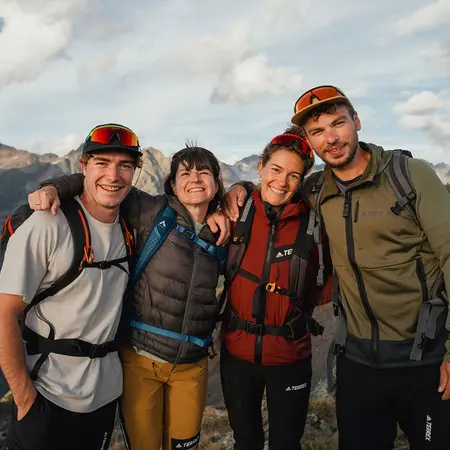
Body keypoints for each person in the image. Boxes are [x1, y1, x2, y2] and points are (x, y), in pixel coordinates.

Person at [223, 85, 450, 450]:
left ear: (356, 121)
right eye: (317, 132)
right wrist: (235, 188)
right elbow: (274, 188)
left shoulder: (411, 176)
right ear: (310, 142)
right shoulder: (315, 190)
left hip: (424, 358)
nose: (330, 138)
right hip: (358, 362)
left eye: (338, 123)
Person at [28, 145, 230, 450]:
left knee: (185, 446)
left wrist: (239, 192)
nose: (195, 179)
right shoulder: (151, 211)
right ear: (172, 185)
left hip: (192, 364)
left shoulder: (226, 230)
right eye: (185, 173)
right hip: (141, 361)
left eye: (204, 173)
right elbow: (103, 183)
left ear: (216, 184)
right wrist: (54, 187)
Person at [0, 123, 142, 450]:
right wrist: (24, 399)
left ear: (135, 173)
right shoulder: (46, 224)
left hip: (104, 399)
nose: (114, 175)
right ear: (83, 167)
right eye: (102, 163)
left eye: (125, 165)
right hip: (46, 396)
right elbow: (5, 312)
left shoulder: (130, 227)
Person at [220, 127, 332, 450]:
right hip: (237, 356)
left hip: (289, 357)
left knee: (286, 443)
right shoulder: (237, 212)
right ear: (260, 167)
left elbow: (331, 279)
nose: (282, 182)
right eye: (276, 170)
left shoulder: (313, 221)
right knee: (246, 441)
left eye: (293, 176)